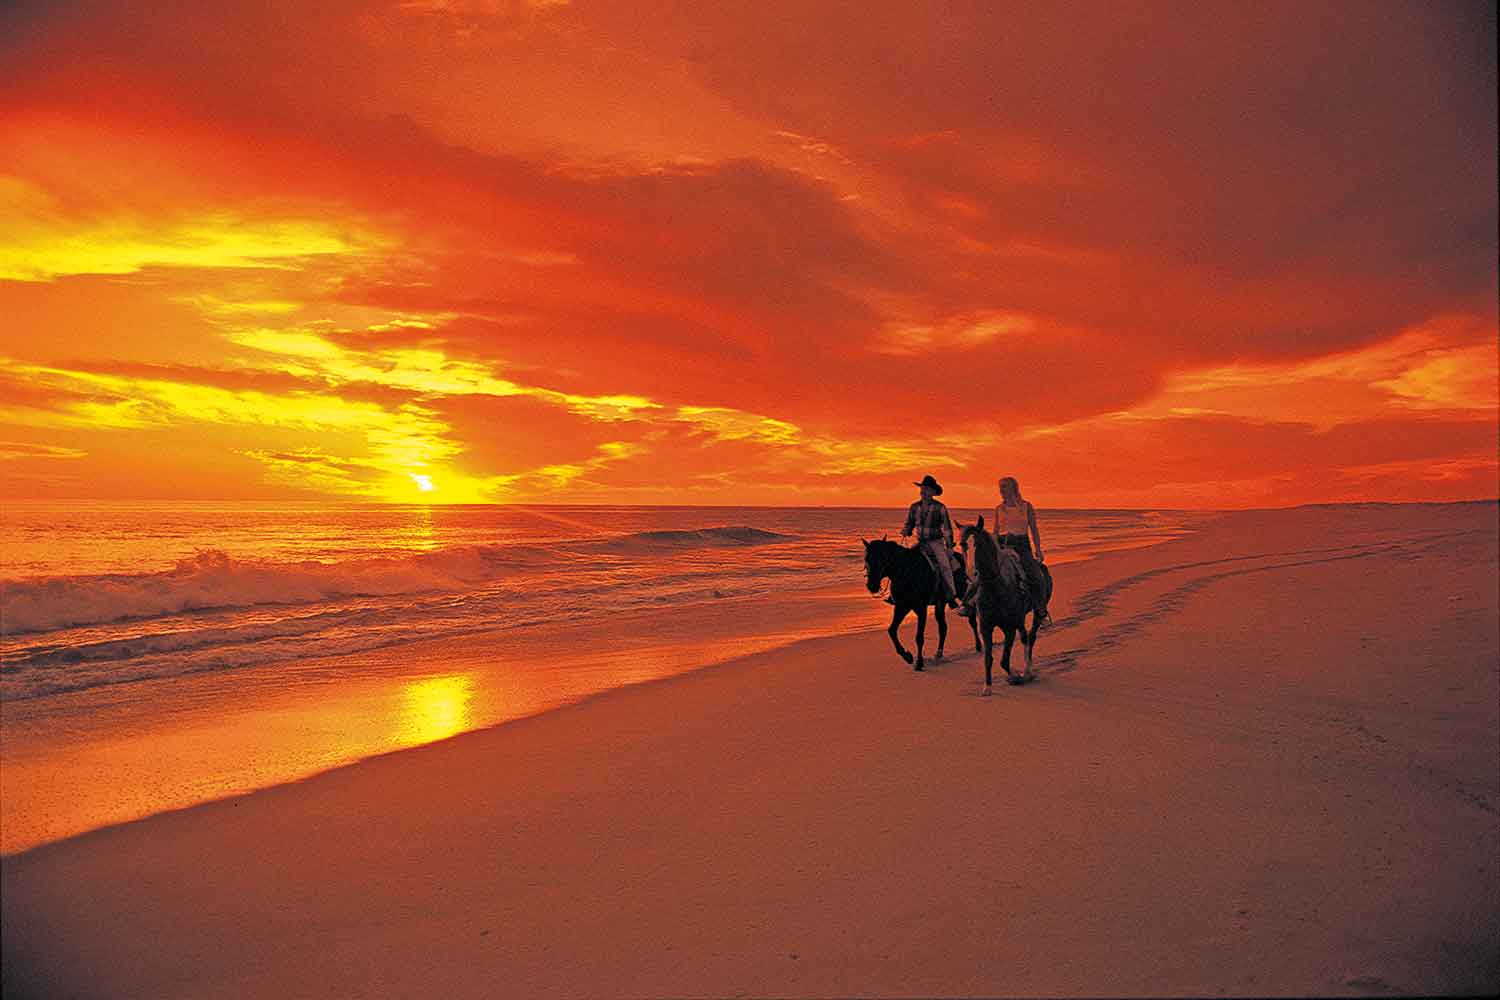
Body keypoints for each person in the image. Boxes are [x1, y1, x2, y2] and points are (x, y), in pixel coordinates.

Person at [995, 475, 1051, 624]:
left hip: (1021, 545)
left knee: (1036, 575)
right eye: (1000, 487)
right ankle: (971, 604)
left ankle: (1041, 611)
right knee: (983, 572)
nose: (1001, 490)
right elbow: (995, 531)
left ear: (1013, 488)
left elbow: (1034, 529)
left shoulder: (1026, 506)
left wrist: (1038, 549)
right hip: (1002, 545)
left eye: (1004, 487)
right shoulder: (999, 509)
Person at [901, 474, 960, 609]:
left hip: (936, 542)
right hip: (920, 542)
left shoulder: (940, 507)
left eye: (927, 489)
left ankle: (951, 595)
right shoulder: (914, 507)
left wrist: (949, 546)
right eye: (922, 489)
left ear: (933, 492)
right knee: (905, 564)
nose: (923, 492)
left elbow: (947, 528)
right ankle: (902, 594)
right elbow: (909, 523)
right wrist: (906, 530)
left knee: (945, 566)